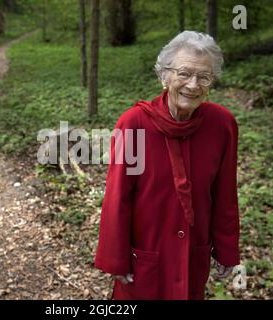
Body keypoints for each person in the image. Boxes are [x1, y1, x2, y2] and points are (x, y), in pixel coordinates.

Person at [94, 31, 240, 300]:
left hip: (192, 255)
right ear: (164, 76)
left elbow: (225, 194)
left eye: (204, 77)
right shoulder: (134, 123)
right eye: (184, 73)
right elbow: (118, 197)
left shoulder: (222, 125)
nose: (193, 85)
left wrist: (226, 249)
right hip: (145, 255)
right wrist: (116, 258)